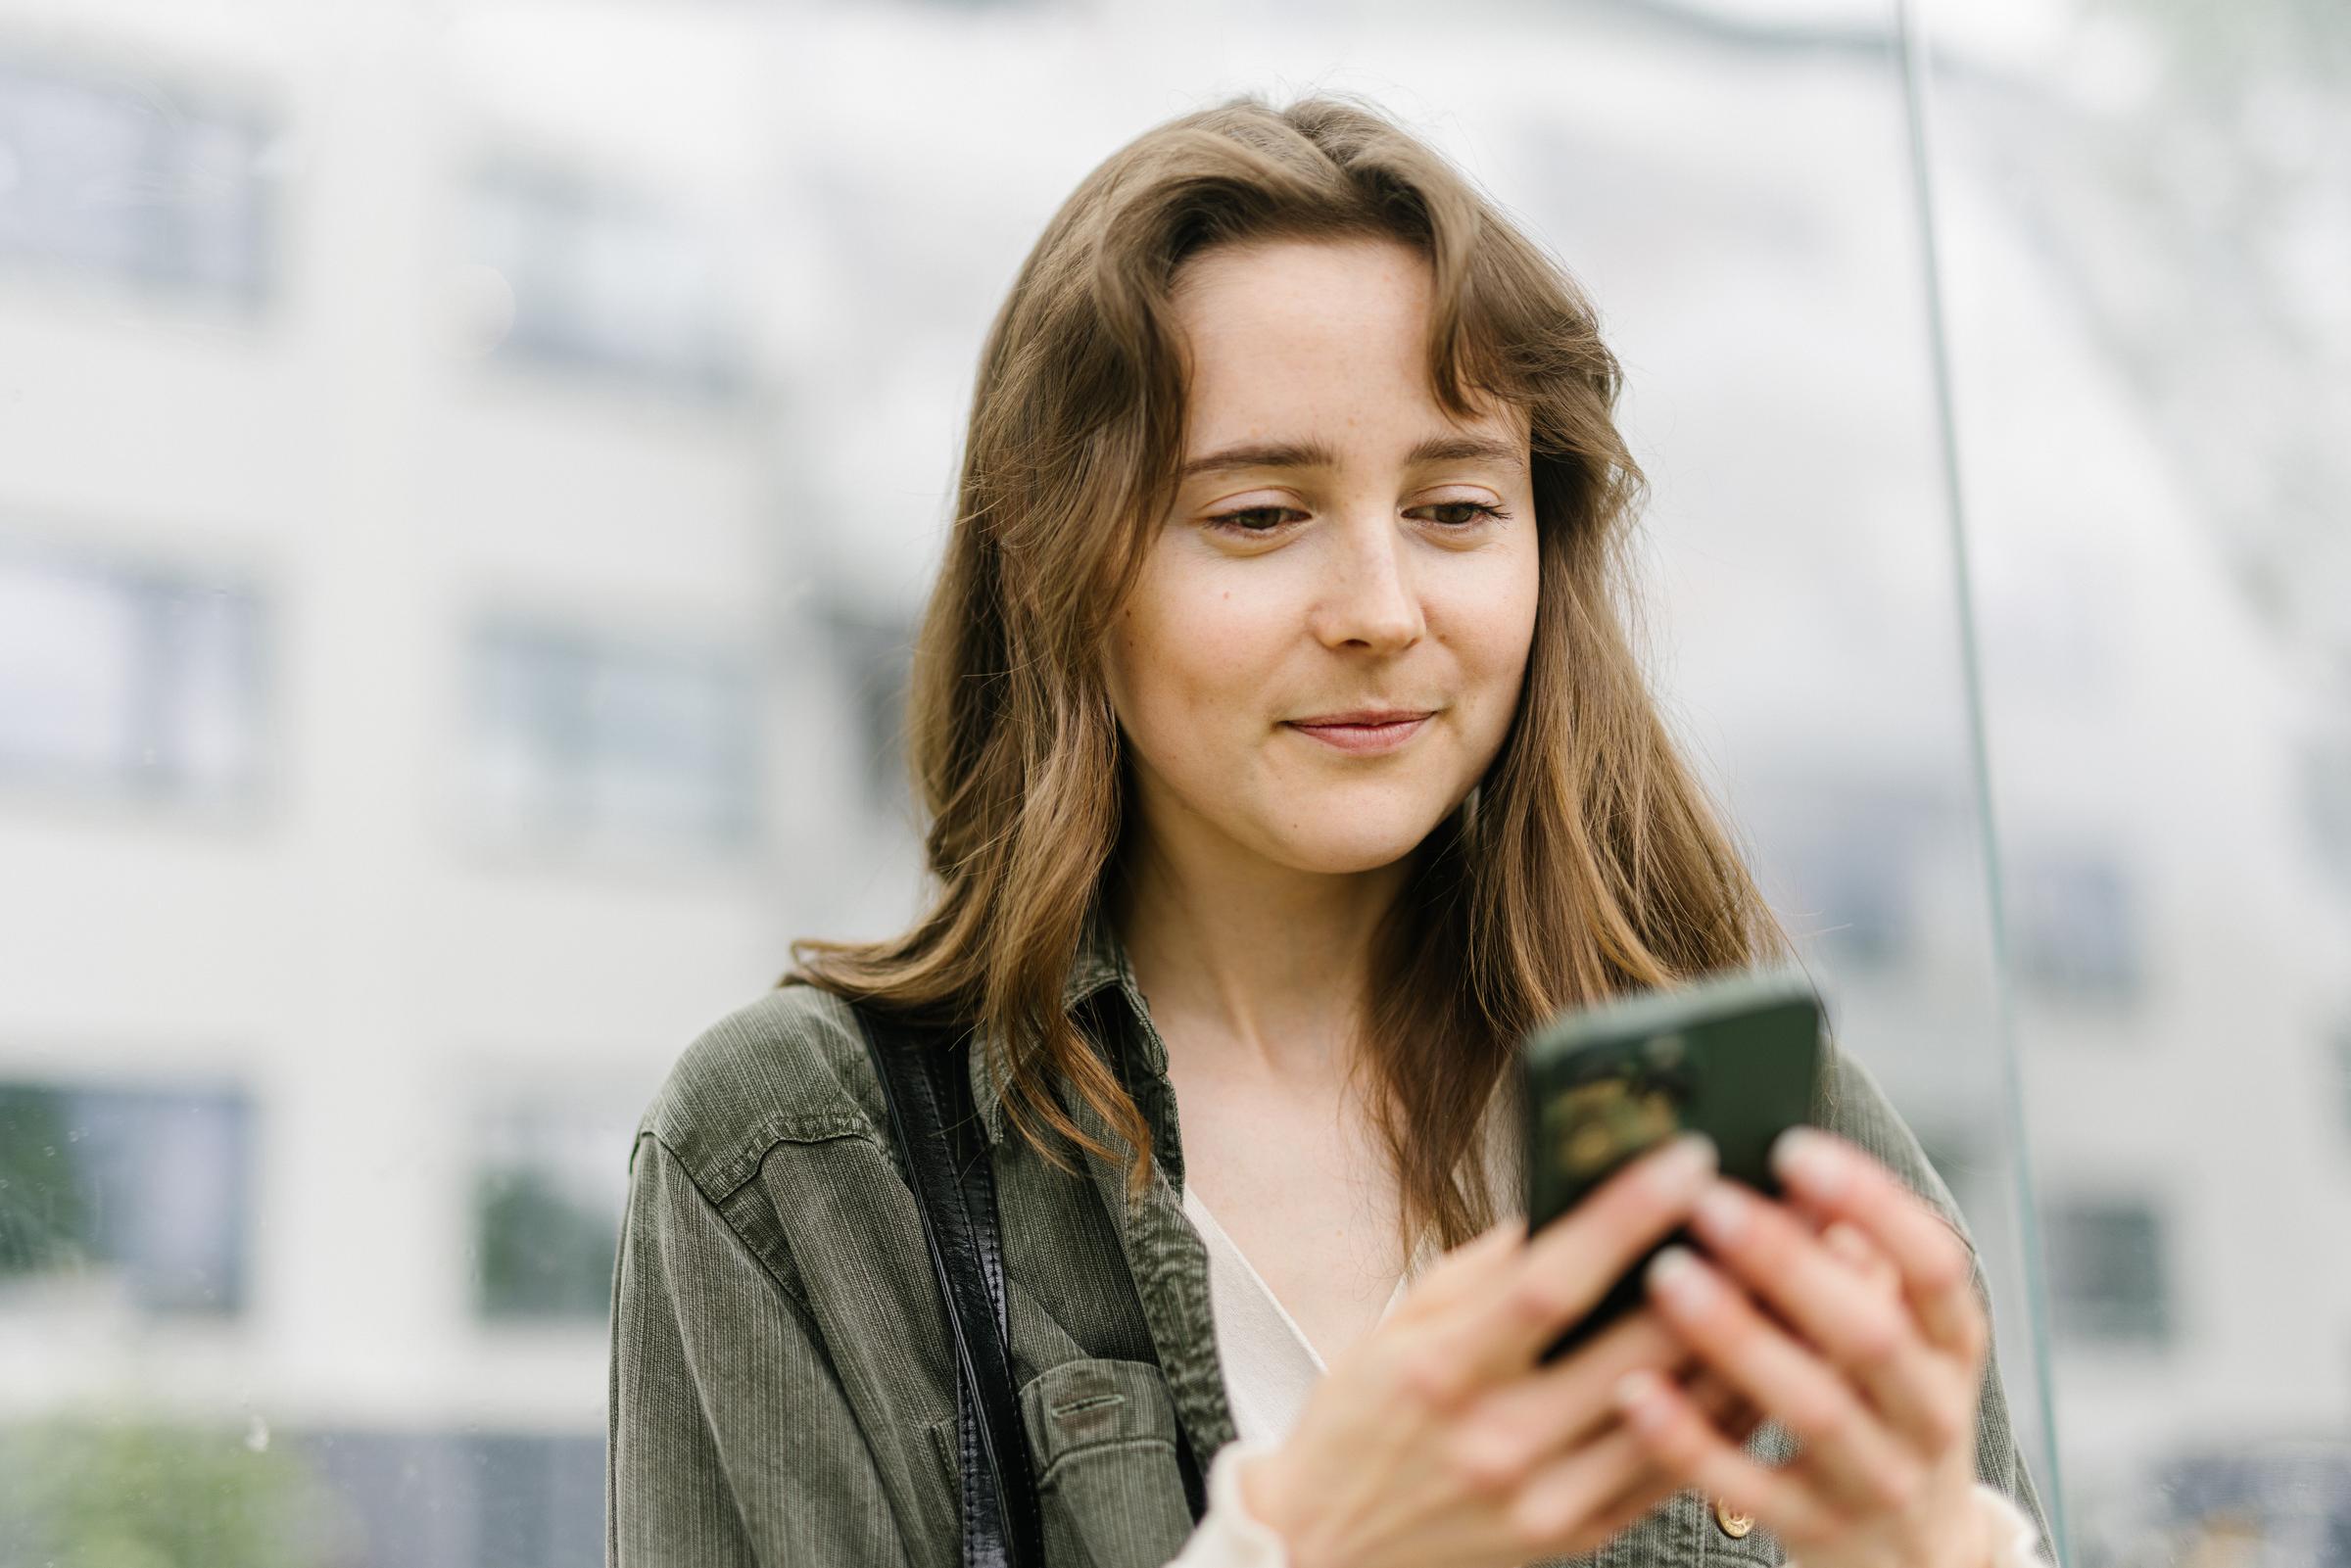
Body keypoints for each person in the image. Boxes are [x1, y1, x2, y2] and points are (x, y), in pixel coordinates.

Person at [605, 92, 2054, 1568]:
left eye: (1456, 509)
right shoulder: (796, 1161)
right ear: (1063, 569)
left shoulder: (1776, 1137)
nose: (1378, 609)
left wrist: (1931, 1548)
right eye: (1257, 516)